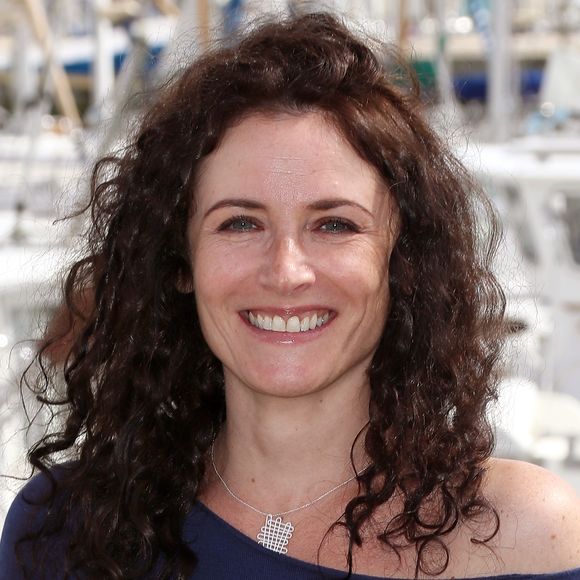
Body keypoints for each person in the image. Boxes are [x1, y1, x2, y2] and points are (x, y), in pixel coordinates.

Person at [1, 11, 579, 580]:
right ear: (181, 262)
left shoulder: (527, 536)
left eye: (334, 225)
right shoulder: (67, 529)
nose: (285, 271)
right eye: (240, 224)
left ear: (401, 261)